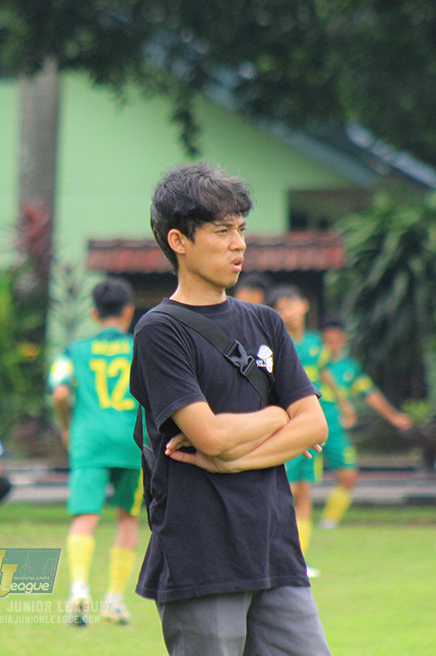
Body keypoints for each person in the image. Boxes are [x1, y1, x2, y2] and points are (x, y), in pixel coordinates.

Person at [129, 162, 330, 655]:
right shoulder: (161, 331)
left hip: (275, 550)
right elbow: (210, 436)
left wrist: (236, 457)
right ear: (179, 240)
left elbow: (316, 424)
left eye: (241, 229)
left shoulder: (266, 323)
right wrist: (278, 417)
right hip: (202, 557)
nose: (239, 243)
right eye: (222, 231)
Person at [48, 277, 142, 626]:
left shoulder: (73, 351)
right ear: (129, 312)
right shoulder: (141, 348)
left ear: (93, 312)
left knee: (85, 517)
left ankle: (79, 591)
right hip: (132, 441)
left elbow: (59, 393)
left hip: (88, 441)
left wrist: (66, 425)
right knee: (127, 517)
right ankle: (114, 600)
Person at [317, 316, 413, 529]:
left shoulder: (350, 368)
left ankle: (328, 521)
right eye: (327, 341)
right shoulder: (310, 362)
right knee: (295, 482)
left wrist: (394, 416)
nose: (331, 346)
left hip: (335, 430)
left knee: (349, 475)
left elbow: (370, 394)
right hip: (308, 427)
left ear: (343, 340)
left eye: (335, 340)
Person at [267, 284, 331, 572]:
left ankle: (299, 560)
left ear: (304, 305)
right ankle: (275, 555)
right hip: (287, 426)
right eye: (282, 308)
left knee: (304, 490)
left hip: (311, 426)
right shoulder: (277, 345)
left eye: (292, 305)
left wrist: (344, 402)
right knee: (286, 492)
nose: (289, 312)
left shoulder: (317, 343)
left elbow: (325, 374)